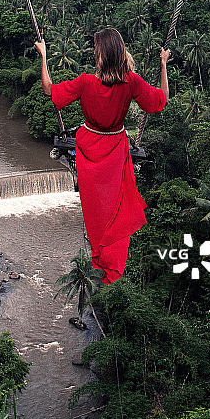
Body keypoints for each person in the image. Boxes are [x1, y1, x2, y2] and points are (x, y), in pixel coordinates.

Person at [34, 28, 170, 285]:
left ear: (101, 56)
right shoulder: (131, 81)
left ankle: (99, 255)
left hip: (89, 150)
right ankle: (109, 262)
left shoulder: (86, 82)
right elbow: (160, 101)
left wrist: (43, 56)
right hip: (115, 149)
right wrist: (163, 65)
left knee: (97, 211)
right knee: (117, 208)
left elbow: (49, 90)